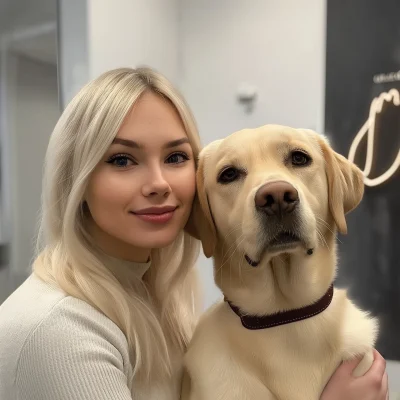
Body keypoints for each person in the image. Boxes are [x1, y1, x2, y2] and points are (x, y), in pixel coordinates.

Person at [0, 67, 388, 400]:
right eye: (122, 159)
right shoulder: (56, 331)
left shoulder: (165, 307)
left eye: (175, 157)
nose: (158, 183)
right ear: (76, 182)